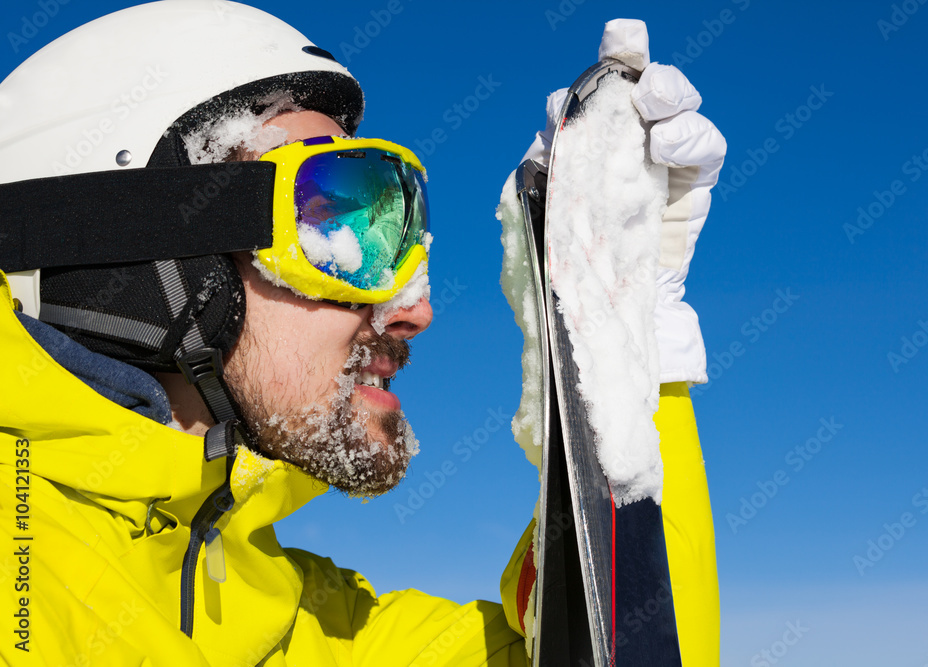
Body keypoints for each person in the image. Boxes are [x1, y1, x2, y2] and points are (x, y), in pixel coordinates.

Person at [0, 2, 724, 665]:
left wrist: (626, 348)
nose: (411, 309)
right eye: (337, 227)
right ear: (137, 259)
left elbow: (608, 642)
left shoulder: (305, 619)